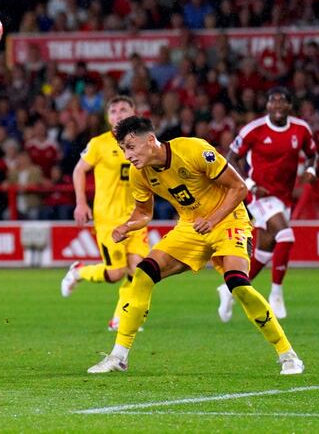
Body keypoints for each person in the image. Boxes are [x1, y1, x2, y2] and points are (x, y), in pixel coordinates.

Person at [87, 116, 304, 375]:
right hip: (191, 226)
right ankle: (119, 356)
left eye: (131, 147)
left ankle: (287, 354)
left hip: (228, 220)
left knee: (238, 285)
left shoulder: (192, 149)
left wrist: (212, 220)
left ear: (151, 140)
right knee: (144, 274)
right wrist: (127, 226)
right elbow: (144, 212)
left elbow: (239, 188)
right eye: (123, 149)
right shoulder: (139, 173)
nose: (127, 154)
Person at [217, 87, 317, 322]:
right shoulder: (255, 129)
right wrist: (250, 184)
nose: (278, 105)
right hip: (259, 195)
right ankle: (276, 294)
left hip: (283, 197)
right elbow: (231, 158)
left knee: (265, 250)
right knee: (286, 236)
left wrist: (311, 169)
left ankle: (229, 287)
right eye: (274, 101)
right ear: (268, 105)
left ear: (290, 106)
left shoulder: (301, 129)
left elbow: (312, 154)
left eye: (283, 101)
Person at [62, 96, 149, 331]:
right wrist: (81, 203)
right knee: (115, 273)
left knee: (139, 270)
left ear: (134, 112)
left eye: (123, 109)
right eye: (113, 111)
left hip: (137, 217)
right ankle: (80, 272)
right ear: (107, 117)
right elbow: (79, 171)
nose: (118, 114)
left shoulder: (145, 142)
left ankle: (121, 318)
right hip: (108, 219)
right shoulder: (99, 143)